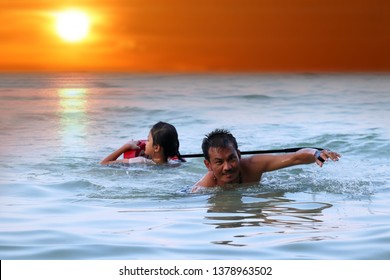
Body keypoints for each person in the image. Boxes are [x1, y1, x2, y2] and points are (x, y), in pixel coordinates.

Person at [193, 129, 341, 191]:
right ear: (208, 164)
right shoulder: (205, 187)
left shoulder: (253, 165)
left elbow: (295, 157)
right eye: (219, 162)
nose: (227, 167)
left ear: (239, 155)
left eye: (231, 158)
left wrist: (315, 153)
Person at [100, 121, 185, 165]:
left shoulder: (140, 161)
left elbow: (104, 163)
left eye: (148, 140)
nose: (145, 143)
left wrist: (126, 146)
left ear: (156, 148)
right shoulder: (176, 163)